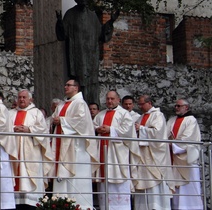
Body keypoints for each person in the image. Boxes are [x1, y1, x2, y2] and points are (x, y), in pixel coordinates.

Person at [56, 0, 119, 104]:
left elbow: (101, 34)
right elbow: (63, 34)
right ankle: (81, 103)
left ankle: (93, 105)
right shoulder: (70, 14)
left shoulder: (92, 15)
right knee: (80, 79)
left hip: (91, 54)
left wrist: (111, 21)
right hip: (77, 53)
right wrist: (60, 23)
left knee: (92, 80)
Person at [51, 78, 98, 209]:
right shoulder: (61, 104)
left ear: (76, 88)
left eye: (68, 85)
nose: (65, 87)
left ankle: (80, 205)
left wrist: (62, 121)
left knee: (76, 178)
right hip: (61, 144)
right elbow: (54, 119)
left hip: (76, 148)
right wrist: (53, 121)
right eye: (65, 85)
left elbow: (82, 122)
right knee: (62, 176)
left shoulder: (80, 104)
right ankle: (60, 204)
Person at [93, 90, 139, 210]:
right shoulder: (100, 115)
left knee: (119, 181)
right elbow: (92, 126)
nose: (109, 101)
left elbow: (128, 132)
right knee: (104, 185)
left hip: (117, 154)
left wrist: (110, 129)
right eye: (107, 99)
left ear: (118, 100)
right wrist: (97, 129)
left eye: (112, 99)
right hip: (102, 153)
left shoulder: (124, 114)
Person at [9, 89, 52, 209]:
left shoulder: (36, 113)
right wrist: (14, 128)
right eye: (19, 97)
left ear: (30, 99)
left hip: (31, 154)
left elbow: (43, 130)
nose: (21, 99)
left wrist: (29, 130)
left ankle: (32, 202)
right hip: (14, 153)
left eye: (24, 97)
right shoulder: (10, 113)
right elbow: (5, 128)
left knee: (29, 179)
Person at [133, 94, 172, 209]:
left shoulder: (158, 116)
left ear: (149, 103)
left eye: (141, 104)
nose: (139, 106)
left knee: (154, 180)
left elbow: (158, 133)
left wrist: (141, 129)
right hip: (142, 154)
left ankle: (157, 206)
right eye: (139, 104)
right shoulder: (141, 117)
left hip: (154, 154)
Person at [167, 98, 203, 210]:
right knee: (177, 190)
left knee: (189, 187)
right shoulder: (172, 120)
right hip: (173, 158)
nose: (176, 108)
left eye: (179, 106)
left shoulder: (191, 120)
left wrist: (171, 144)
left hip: (187, 159)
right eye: (176, 106)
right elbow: (165, 134)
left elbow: (187, 139)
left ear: (186, 107)